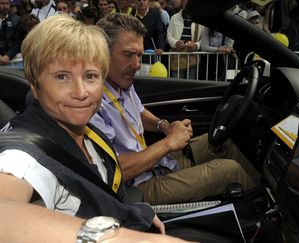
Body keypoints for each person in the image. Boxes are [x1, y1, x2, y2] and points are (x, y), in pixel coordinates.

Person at [0, 14, 188, 242]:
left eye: (90, 76)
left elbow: (101, 193)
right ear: (35, 86)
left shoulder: (89, 135)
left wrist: (132, 214)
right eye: (61, 76)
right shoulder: (21, 156)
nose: (80, 92)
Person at [90, 13, 261, 205]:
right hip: (137, 187)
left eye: (139, 55)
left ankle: (261, 187)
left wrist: (165, 127)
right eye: (129, 55)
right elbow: (115, 171)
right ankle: (264, 208)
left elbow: (139, 112)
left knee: (221, 141)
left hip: (155, 164)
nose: (137, 64)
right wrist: (168, 143)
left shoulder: (123, 84)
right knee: (229, 171)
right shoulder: (90, 104)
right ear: (102, 53)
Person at [166, 0, 202, 79]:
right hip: (177, 58)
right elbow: (169, 36)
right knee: (177, 86)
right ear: (182, 2)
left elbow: (203, 38)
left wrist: (196, 45)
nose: (187, 2)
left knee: (191, 86)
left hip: (193, 58)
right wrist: (176, 43)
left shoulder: (200, 18)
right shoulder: (174, 17)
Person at [0, 0, 23, 66]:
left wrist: (8, 55)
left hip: (10, 59)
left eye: (7, 4)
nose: (5, 6)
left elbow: (18, 42)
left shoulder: (16, 20)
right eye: (2, 3)